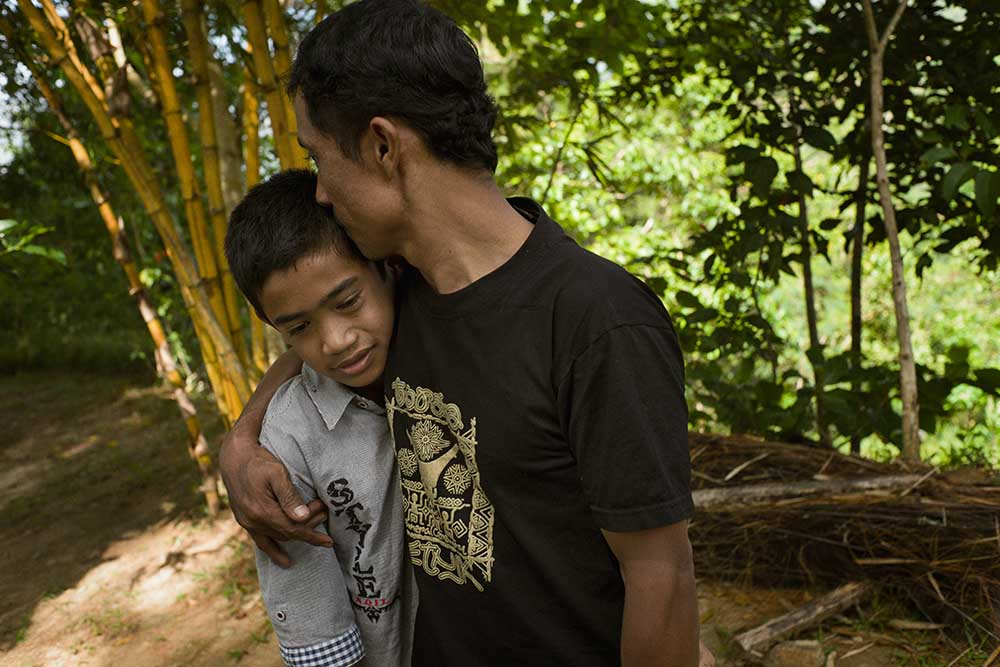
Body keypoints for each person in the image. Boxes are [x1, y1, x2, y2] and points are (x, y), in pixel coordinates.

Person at [220, 1, 703, 664]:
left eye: (319, 158)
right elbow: (311, 349)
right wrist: (243, 440)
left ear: (384, 146)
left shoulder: (595, 320)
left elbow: (664, 579)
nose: (322, 195)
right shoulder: (397, 295)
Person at [224, 169, 417, 667]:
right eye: (300, 327)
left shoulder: (447, 341)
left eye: (347, 302)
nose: (335, 341)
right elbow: (315, 621)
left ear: (389, 268)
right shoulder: (287, 440)